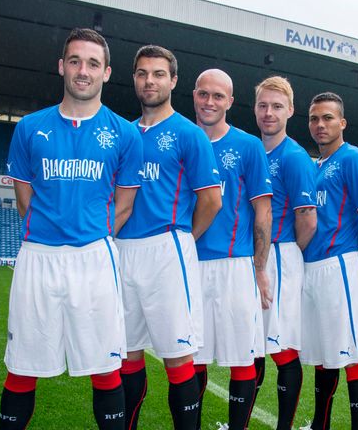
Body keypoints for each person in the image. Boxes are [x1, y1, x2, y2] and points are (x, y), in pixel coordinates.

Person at [0, 28, 143, 429]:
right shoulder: (29, 127)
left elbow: (125, 202)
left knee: (106, 367)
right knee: (22, 365)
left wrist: (88, 233)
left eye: (93, 63)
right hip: (38, 256)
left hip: (95, 258)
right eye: (76, 61)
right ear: (62, 66)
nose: (84, 71)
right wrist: (55, 232)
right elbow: (24, 199)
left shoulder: (124, 133)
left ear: (106, 72)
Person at [115, 45, 222, 429]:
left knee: (178, 356)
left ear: (173, 81)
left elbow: (211, 200)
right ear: (134, 78)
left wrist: (183, 237)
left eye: (158, 74)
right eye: (143, 73)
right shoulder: (122, 133)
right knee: (126, 353)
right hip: (123, 249)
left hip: (167, 248)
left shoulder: (189, 134)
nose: (150, 81)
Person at [191, 68, 273, 430]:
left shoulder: (248, 146)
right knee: (189, 356)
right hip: (186, 262)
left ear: (230, 102)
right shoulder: (181, 138)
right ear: (193, 94)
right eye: (204, 94)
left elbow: (263, 212)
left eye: (218, 96)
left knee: (242, 356)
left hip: (233, 264)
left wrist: (259, 268)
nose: (210, 102)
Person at [300, 92, 358, 430]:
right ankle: (320, 423)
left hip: (340, 264)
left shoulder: (353, 159)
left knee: (353, 352)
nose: (320, 125)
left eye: (328, 118)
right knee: (323, 353)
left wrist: (357, 261)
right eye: (315, 119)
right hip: (312, 268)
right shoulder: (315, 165)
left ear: (342, 123)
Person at [251, 76, 317, 430]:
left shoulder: (294, 157)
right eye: (263, 105)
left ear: (290, 110)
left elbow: (307, 219)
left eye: (277, 106)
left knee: (282, 347)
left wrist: (287, 255)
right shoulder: (253, 150)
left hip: (280, 256)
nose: (269, 113)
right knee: (251, 344)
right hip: (253, 256)